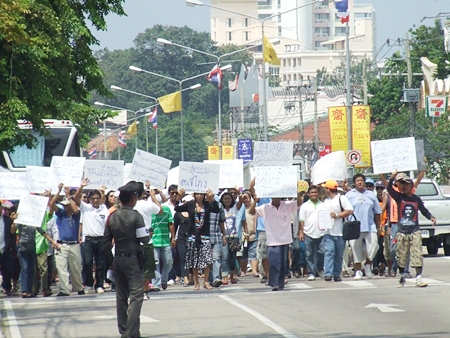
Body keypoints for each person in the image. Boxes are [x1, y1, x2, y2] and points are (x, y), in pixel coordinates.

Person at [103, 181, 150, 338]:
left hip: (118, 258)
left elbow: (106, 243)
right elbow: (143, 239)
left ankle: (125, 329)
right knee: (136, 295)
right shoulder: (135, 216)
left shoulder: (112, 217)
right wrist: (148, 232)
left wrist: (110, 262)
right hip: (132, 259)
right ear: (133, 199)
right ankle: (130, 333)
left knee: (121, 296)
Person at [387, 171, 436, 287]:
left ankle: (418, 277)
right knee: (401, 255)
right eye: (402, 184)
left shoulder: (416, 199)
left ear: (411, 186)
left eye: (406, 184)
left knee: (417, 254)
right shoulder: (399, 197)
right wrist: (392, 177)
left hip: (414, 230)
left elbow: (424, 210)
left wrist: (431, 217)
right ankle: (402, 276)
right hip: (402, 231)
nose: (403, 187)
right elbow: (389, 188)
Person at [250, 190, 303, 291]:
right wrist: (255, 201)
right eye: (274, 197)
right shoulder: (265, 207)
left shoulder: (287, 205)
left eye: (278, 196)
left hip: (285, 239)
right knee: (274, 262)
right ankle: (274, 283)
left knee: (283, 263)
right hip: (272, 240)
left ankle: (281, 282)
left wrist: (295, 192)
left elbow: (299, 203)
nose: (276, 198)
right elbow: (251, 212)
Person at [174, 188, 220, 291]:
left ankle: (206, 281)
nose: (199, 196)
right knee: (194, 261)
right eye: (197, 194)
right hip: (193, 236)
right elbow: (177, 209)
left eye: (201, 194)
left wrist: (212, 199)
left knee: (207, 260)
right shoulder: (190, 204)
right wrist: (179, 198)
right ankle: (196, 282)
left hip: (205, 236)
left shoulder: (207, 204)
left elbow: (217, 209)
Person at [74, 178, 109, 293]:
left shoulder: (104, 209)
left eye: (97, 198)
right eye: (93, 198)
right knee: (87, 262)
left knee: (100, 264)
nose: (95, 200)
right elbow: (75, 199)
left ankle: (99, 284)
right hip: (88, 239)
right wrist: (81, 187)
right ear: (89, 199)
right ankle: (88, 283)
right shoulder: (85, 208)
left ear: (100, 199)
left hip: (101, 239)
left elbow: (108, 224)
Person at [50, 184, 85, 296]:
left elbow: (75, 208)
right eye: (64, 205)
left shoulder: (76, 215)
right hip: (62, 244)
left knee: (75, 268)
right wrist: (58, 190)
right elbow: (51, 204)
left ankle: (78, 287)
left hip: (74, 245)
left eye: (67, 205)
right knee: (61, 269)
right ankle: (64, 290)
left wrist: (69, 196)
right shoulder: (61, 214)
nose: (65, 207)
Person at [345, 173, 381, 280]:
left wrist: (379, 227)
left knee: (373, 247)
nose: (359, 182)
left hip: (370, 226)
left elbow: (377, 212)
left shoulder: (371, 195)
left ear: (364, 182)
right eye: (357, 181)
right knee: (356, 250)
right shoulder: (349, 195)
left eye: (361, 180)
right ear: (354, 183)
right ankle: (358, 271)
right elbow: (344, 210)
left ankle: (368, 265)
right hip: (354, 227)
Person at [133, 182, 162, 298]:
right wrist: (154, 196)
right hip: (146, 240)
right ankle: (144, 292)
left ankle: (136, 291)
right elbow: (160, 210)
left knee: (135, 268)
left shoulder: (131, 205)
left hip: (133, 240)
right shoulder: (148, 204)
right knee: (147, 269)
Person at [321, 180, 353, 282]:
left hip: (340, 231)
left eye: (325, 188)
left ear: (328, 189)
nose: (324, 190)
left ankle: (336, 273)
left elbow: (350, 210)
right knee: (329, 252)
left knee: (339, 254)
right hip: (328, 231)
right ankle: (328, 273)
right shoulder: (326, 201)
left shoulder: (341, 198)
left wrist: (337, 215)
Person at [299, 185, 324, 281]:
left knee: (322, 252)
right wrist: (301, 232)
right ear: (308, 194)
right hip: (308, 232)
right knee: (309, 254)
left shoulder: (322, 204)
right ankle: (311, 272)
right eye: (312, 192)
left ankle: (319, 268)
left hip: (321, 233)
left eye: (315, 192)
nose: (314, 194)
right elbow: (302, 220)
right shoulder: (304, 206)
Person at [220, 191, 245, 285]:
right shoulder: (220, 209)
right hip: (224, 236)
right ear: (222, 200)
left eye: (229, 198)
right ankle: (224, 276)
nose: (227, 200)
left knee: (233, 257)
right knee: (225, 257)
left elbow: (240, 202)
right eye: (225, 199)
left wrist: (239, 193)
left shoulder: (234, 208)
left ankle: (232, 275)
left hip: (234, 236)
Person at [0, 202, 16, 296]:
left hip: (5, 248)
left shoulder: (7, 220)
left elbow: (12, 233)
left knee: (8, 269)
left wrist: (12, 246)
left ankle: (7, 287)